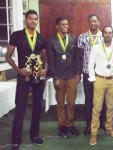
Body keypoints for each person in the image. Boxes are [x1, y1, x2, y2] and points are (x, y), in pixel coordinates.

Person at [5, 10, 47, 150]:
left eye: (35, 19)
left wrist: (45, 69)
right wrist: (18, 70)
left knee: (37, 106)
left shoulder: (41, 38)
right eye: (30, 19)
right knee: (20, 107)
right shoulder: (17, 35)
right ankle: (16, 140)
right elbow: (8, 56)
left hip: (38, 77)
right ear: (26, 20)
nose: (33, 21)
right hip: (24, 76)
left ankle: (34, 135)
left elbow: (46, 58)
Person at [47, 17, 81, 138]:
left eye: (67, 24)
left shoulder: (74, 39)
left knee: (71, 102)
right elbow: (51, 61)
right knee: (60, 102)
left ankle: (70, 125)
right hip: (59, 77)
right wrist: (55, 77)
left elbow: (77, 58)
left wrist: (78, 73)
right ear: (57, 26)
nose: (66, 26)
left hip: (72, 75)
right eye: (63, 24)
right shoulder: (51, 41)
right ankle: (62, 126)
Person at [88, 26, 113, 145]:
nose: (107, 35)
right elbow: (90, 65)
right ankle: (94, 133)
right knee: (97, 108)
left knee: (111, 107)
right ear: (103, 35)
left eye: (110, 33)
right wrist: (93, 79)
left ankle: (109, 128)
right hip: (99, 79)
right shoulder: (96, 48)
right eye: (105, 32)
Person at [77, 14, 106, 136]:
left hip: (100, 73)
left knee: (101, 99)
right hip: (87, 73)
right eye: (90, 21)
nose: (93, 23)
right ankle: (89, 124)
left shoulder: (104, 36)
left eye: (95, 21)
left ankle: (102, 123)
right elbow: (79, 56)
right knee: (89, 100)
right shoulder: (82, 37)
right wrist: (78, 73)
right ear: (88, 23)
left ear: (99, 22)